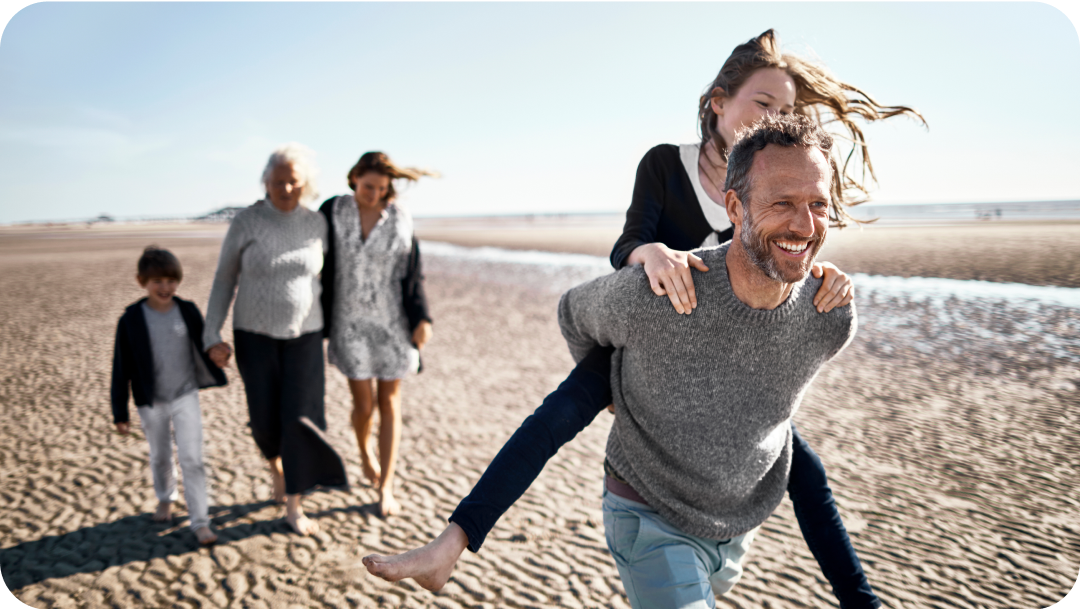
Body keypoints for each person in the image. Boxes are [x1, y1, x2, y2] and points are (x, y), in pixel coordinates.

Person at [364, 31, 923, 608]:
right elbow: (628, 243)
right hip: (653, 318)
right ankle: (453, 542)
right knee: (556, 415)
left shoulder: (784, 181)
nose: (774, 119)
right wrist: (648, 259)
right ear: (719, 104)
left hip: (737, 350)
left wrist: (820, 274)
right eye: (763, 106)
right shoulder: (669, 166)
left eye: (786, 111)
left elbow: (793, 232)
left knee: (792, 454)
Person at [203, 144, 348, 536]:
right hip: (253, 335)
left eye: (293, 181)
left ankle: (294, 504)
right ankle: (276, 467)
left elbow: (335, 279)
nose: (285, 188)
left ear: (306, 184)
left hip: (306, 335)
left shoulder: (317, 224)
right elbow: (223, 279)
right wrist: (211, 332)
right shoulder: (247, 222)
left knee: (300, 419)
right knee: (265, 420)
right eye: (278, 180)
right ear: (265, 181)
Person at [319, 151, 435, 517]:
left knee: (389, 402)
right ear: (354, 178)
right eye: (369, 186)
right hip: (348, 322)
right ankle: (364, 451)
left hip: (393, 323)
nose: (374, 194)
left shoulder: (399, 216)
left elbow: (412, 271)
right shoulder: (332, 211)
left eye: (382, 188)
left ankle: (386, 485)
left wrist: (422, 317)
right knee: (363, 405)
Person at [110, 246, 227, 546]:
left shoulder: (186, 310)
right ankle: (166, 498)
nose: (165, 287)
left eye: (171, 280)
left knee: (192, 459)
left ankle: (200, 521)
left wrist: (219, 354)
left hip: (185, 395)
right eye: (158, 281)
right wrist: (119, 413)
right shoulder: (131, 319)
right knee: (161, 455)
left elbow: (206, 344)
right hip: (151, 401)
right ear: (142, 281)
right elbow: (120, 368)